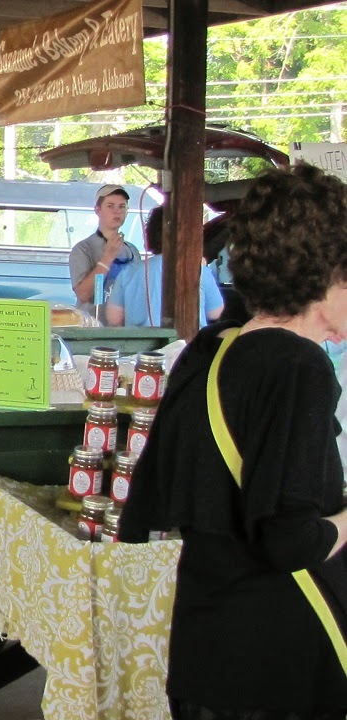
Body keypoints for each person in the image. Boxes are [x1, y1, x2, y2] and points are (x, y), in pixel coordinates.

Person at [120, 163, 347, 719]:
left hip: (205, 650)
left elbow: (157, 497)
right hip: (274, 665)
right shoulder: (299, 368)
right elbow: (289, 541)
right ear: (327, 276)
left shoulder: (213, 348)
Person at [107, 206, 223, 328]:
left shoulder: (129, 272)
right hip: (189, 339)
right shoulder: (199, 270)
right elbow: (215, 312)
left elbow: (114, 318)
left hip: (140, 340)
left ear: (149, 234)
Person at [68, 183, 141, 316]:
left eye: (122, 206)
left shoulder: (132, 252)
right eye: (110, 206)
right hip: (94, 325)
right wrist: (108, 258)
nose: (117, 211)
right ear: (97, 210)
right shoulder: (83, 249)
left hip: (126, 326)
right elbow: (83, 295)